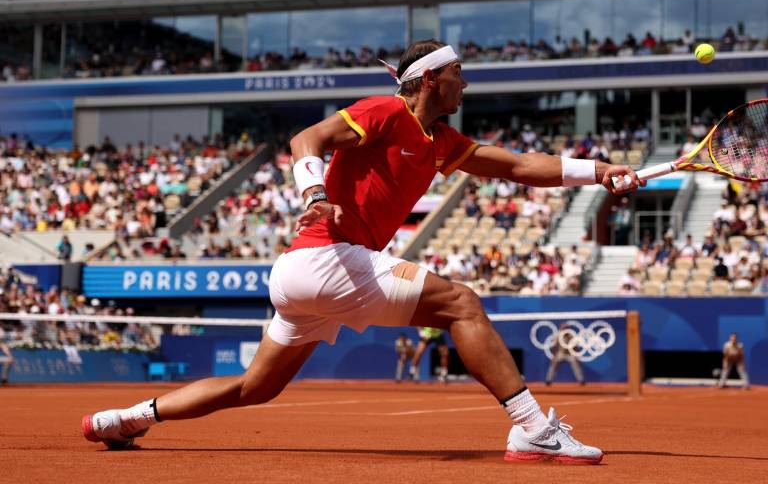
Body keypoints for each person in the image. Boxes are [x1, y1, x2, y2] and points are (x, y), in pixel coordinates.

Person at [82, 39, 641, 464]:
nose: (465, 85)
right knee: (463, 305)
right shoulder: (385, 111)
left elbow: (519, 167)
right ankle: (531, 428)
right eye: (457, 74)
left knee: (256, 387)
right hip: (328, 257)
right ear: (427, 80)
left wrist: (601, 172)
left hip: (305, 276)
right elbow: (307, 140)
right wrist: (315, 192)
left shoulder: (441, 141)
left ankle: (128, 419)